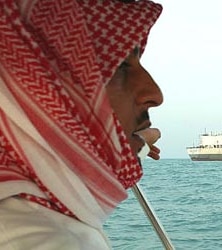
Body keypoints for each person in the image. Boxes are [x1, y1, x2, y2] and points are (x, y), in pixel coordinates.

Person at [0, 0, 163, 249]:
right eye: (120, 66)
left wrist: (140, 141)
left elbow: (141, 141)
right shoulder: (52, 240)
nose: (154, 94)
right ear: (41, 86)